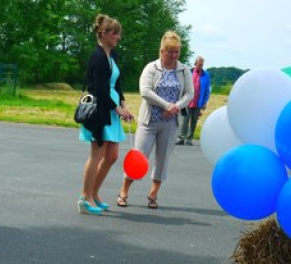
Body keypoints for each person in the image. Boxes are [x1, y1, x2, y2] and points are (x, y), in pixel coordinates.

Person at [118, 30, 192, 210]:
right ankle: (124, 191)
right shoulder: (152, 68)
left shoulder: (183, 70)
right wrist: (167, 105)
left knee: (163, 159)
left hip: (170, 123)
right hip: (149, 121)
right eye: (170, 51)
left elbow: (190, 93)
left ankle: (153, 194)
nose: (173, 55)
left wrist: (176, 106)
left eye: (176, 52)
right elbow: (145, 91)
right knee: (139, 157)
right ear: (162, 51)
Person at [77, 15, 133, 215]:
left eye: (119, 33)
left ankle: (94, 192)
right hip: (100, 111)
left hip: (112, 108)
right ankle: (85, 198)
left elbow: (117, 84)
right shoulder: (98, 56)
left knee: (112, 156)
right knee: (97, 155)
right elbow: (99, 90)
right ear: (104, 33)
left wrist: (124, 105)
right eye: (115, 33)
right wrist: (117, 109)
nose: (118, 37)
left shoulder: (112, 56)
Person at [177, 55, 211, 146]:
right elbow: (182, 85)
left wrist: (204, 102)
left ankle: (189, 139)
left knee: (194, 121)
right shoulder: (188, 72)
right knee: (184, 120)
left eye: (202, 65)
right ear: (195, 64)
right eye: (199, 65)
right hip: (187, 100)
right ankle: (181, 138)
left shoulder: (206, 75)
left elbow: (207, 90)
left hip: (198, 101)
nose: (200, 66)